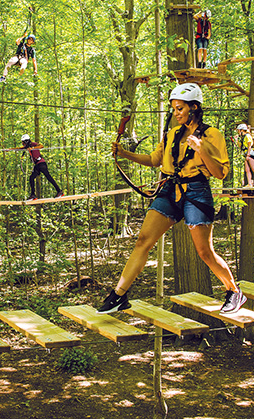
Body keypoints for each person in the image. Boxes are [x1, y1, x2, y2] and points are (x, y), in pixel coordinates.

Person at [98, 83, 246, 315]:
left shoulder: (211, 135)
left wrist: (201, 150)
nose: (175, 113)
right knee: (142, 241)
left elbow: (219, 173)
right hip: (169, 190)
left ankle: (234, 291)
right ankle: (118, 295)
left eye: (180, 108)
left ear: (194, 108)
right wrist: (125, 154)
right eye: (174, 109)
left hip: (196, 191)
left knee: (204, 251)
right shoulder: (171, 134)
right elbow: (155, 159)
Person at [18, 134, 64, 201]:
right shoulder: (27, 146)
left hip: (41, 163)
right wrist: (10, 149)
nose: (22, 144)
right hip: (37, 165)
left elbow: (41, 146)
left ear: (26, 141)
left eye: (23, 142)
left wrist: (32, 148)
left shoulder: (33, 144)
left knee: (48, 177)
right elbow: (20, 148)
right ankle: (33, 195)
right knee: (31, 178)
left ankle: (59, 191)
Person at [236, 123, 254, 188]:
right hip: (245, 154)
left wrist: (248, 154)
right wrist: (236, 140)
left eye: (239, 130)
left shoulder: (247, 136)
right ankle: (249, 184)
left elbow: (249, 145)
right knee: (247, 170)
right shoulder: (243, 138)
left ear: (242, 130)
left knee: (253, 168)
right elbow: (241, 147)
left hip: (250, 154)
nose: (238, 132)